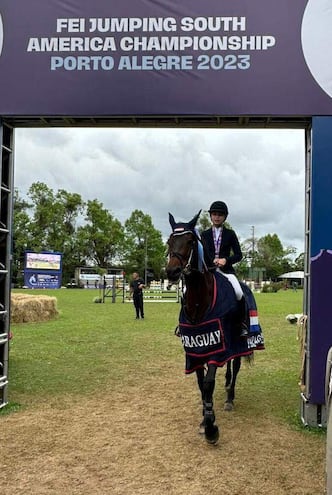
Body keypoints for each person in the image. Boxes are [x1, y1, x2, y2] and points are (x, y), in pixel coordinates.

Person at [201, 200, 248, 337]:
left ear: (225, 217)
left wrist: (226, 260)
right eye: (214, 214)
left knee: (239, 292)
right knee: (187, 291)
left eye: (220, 215)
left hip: (226, 271)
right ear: (210, 216)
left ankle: (242, 325)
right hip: (208, 271)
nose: (217, 217)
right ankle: (185, 323)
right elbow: (201, 254)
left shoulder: (230, 234)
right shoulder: (204, 235)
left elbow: (239, 255)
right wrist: (211, 260)